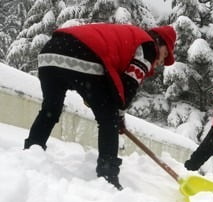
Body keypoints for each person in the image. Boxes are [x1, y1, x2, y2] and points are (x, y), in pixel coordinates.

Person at [24, 23, 177, 190]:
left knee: (50, 110)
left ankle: (30, 154)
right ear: (159, 43)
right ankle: (108, 177)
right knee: (108, 120)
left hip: (50, 53)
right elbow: (127, 89)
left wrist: (115, 111)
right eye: (165, 53)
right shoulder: (148, 47)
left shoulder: (131, 39)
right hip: (81, 54)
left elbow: (113, 88)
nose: (161, 61)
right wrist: (116, 117)